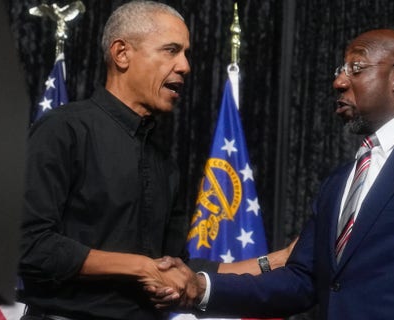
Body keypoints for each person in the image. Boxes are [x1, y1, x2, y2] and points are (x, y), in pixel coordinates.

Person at [151, 29, 394, 319]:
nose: (338, 80)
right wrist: (200, 288)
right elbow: (301, 281)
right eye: (340, 69)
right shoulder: (340, 181)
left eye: (356, 68)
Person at [18, 1, 292, 319]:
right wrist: (139, 267)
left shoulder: (165, 163)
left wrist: (275, 261)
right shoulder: (63, 130)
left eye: (186, 54)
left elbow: (176, 267)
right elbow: (28, 245)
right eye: (171, 50)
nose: (185, 66)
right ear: (122, 54)